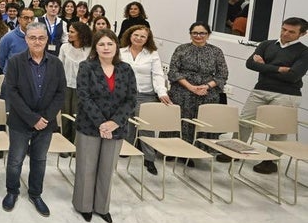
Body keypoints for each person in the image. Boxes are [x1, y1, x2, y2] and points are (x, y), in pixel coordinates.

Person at [1, 22, 66, 217]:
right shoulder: (15, 62)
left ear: (47, 40)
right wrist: (32, 118)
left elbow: (60, 93)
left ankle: (35, 194)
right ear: (26, 39)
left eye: (41, 38)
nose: (37, 41)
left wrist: (44, 118)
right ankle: (12, 191)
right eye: (32, 38)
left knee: (39, 160)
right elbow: (11, 92)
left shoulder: (56, 63)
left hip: (46, 123)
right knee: (15, 160)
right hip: (21, 121)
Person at [73, 30, 137, 223]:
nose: (106, 48)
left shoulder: (126, 69)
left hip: (116, 128)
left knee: (107, 169)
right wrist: (101, 123)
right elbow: (83, 96)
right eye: (101, 44)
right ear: (95, 48)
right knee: (86, 167)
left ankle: (102, 207)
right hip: (90, 126)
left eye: (110, 44)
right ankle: (84, 206)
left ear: (116, 46)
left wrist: (113, 123)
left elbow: (131, 99)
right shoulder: (87, 67)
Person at [238, 17, 308, 174]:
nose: (285, 33)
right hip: (260, 89)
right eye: (283, 29)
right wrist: (279, 69)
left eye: (291, 32)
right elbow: (250, 64)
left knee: (278, 130)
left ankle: (270, 161)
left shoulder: (304, 52)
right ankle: (236, 150)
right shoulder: (266, 44)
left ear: (302, 34)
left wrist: (263, 66)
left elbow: (293, 76)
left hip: (287, 94)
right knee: (244, 121)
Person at [168, 22, 229, 153]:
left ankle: (198, 151)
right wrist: (190, 87)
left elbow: (222, 74)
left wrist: (206, 86)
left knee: (202, 122)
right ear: (190, 34)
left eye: (202, 33)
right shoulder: (181, 49)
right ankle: (176, 150)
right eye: (194, 33)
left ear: (208, 35)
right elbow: (173, 71)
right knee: (181, 121)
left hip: (207, 93)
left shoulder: (216, 51)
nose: (198, 36)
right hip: (182, 91)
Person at [119, 25, 171, 175]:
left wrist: (162, 92)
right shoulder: (121, 52)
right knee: (126, 123)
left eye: (143, 36)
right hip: (125, 94)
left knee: (145, 127)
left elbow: (157, 74)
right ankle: (126, 148)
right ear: (130, 35)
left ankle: (149, 158)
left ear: (147, 39)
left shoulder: (152, 54)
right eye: (136, 35)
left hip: (146, 94)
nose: (139, 38)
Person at [58, 21, 92, 143]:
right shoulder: (64, 47)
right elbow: (59, 67)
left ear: (81, 34)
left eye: (72, 31)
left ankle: (75, 143)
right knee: (65, 115)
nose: (69, 34)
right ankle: (65, 142)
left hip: (83, 88)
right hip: (66, 86)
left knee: (78, 116)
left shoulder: (90, 50)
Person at [0, 7, 35, 73]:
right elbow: (1, 59)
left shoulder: (37, 37)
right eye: (26, 18)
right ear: (19, 19)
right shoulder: (8, 37)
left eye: (32, 18)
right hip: (13, 77)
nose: (29, 21)